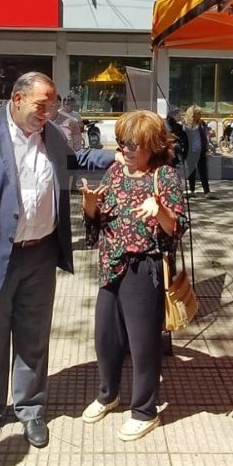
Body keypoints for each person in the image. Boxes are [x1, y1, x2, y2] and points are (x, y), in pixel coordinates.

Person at [0, 71, 115, 449]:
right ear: (16, 99)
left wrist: (122, 155)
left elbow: (76, 158)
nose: (48, 112)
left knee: (34, 339)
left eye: (52, 105)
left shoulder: (51, 134)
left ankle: (31, 409)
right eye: (41, 104)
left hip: (40, 255)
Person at [80, 110, 187, 441]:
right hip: (111, 264)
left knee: (143, 344)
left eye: (133, 143)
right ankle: (108, 394)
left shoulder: (164, 177)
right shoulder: (116, 171)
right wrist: (89, 205)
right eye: (123, 141)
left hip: (144, 268)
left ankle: (144, 410)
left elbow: (177, 228)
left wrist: (162, 211)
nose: (126, 148)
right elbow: (99, 219)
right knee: (105, 336)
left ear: (152, 145)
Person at [183, 106, 214, 199]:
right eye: (199, 114)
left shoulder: (201, 123)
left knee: (203, 171)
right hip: (190, 151)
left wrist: (207, 149)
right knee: (191, 171)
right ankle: (192, 191)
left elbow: (204, 137)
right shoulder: (186, 125)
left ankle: (207, 192)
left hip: (200, 151)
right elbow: (184, 139)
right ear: (194, 115)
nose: (201, 115)